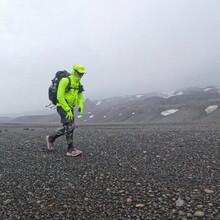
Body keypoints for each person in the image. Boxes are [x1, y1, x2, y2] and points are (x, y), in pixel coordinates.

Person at [46, 64, 86, 157]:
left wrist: (80, 105)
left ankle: (50, 138)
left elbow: (80, 96)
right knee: (70, 126)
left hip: (70, 107)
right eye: (79, 73)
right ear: (74, 71)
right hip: (62, 106)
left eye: (82, 74)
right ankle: (70, 150)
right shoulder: (65, 80)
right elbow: (60, 96)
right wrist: (67, 109)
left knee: (68, 127)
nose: (80, 76)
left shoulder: (79, 84)